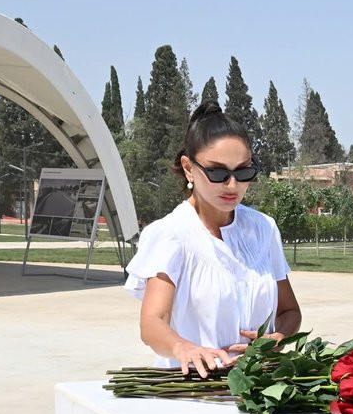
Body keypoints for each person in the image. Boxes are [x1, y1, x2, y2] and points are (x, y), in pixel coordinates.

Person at [125, 100, 301, 377]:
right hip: (193, 387)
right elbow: (152, 322)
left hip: (260, 386)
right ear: (188, 167)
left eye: (243, 172)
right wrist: (182, 347)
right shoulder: (170, 235)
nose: (232, 185)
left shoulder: (263, 229)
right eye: (217, 173)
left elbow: (289, 311)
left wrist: (278, 339)